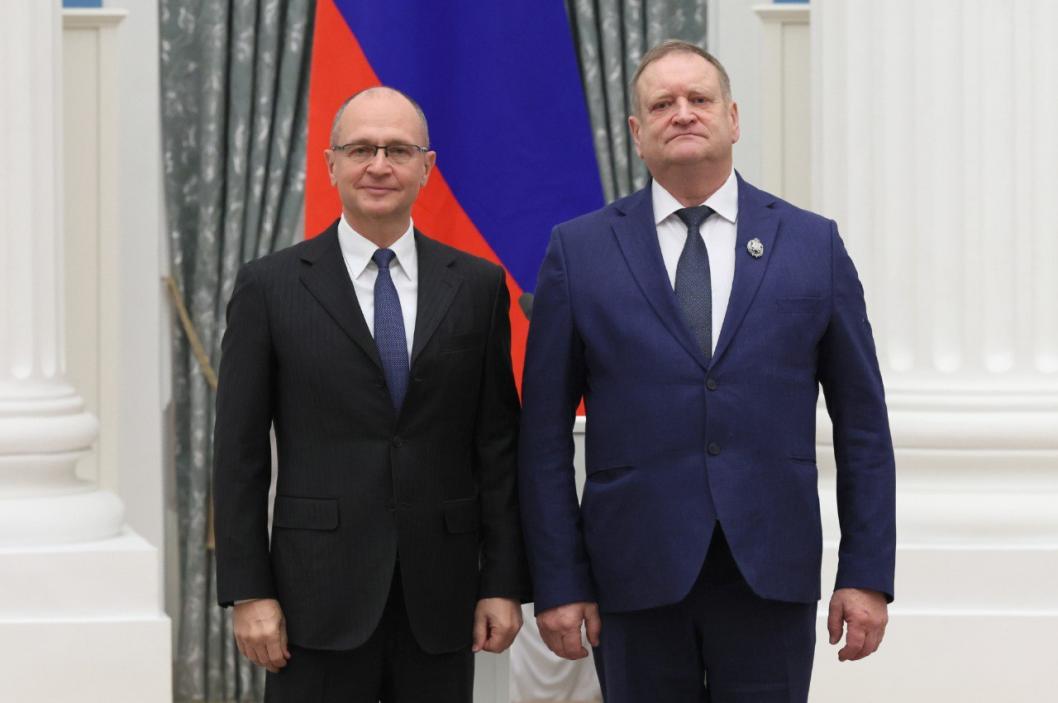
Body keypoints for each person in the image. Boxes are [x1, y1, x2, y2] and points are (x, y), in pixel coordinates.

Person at [519, 40, 895, 702]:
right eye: (662, 104)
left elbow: (862, 424)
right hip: (632, 575)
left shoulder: (812, 245)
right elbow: (542, 437)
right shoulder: (579, 252)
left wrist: (865, 571)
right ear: (636, 131)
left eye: (699, 98)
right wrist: (558, 579)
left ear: (733, 118)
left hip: (769, 572)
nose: (683, 113)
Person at [213, 86, 530, 703]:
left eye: (397, 150)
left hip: (441, 598)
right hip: (313, 599)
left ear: (426, 168)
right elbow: (239, 456)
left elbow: (497, 447)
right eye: (360, 149)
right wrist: (250, 592)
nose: (378, 165)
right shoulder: (269, 287)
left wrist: (502, 581)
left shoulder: (477, 286)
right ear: (330, 164)